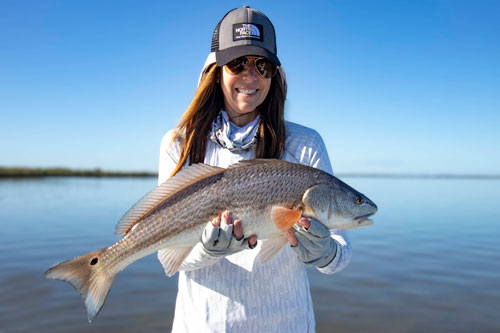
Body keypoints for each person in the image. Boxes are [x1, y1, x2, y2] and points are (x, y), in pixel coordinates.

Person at [157, 6, 351, 332]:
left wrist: (325, 251)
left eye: (262, 66)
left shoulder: (305, 144)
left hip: (287, 323)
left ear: (274, 75)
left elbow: (339, 256)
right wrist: (207, 251)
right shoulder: (179, 143)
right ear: (216, 70)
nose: (250, 76)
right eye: (237, 63)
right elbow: (169, 258)